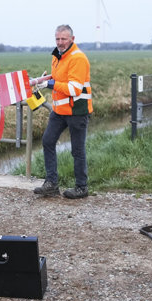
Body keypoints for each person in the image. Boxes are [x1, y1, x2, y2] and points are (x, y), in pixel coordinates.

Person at [30, 24, 92, 199]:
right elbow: (57, 78)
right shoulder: (57, 56)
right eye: (57, 39)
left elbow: (74, 89)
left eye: (64, 39)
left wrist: (49, 84)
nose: (60, 42)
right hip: (59, 110)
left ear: (72, 39)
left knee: (77, 150)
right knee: (48, 141)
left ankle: (81, 187)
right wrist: (40, 80)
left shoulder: (78, 58)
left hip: (77, 110)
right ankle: (51, 183)